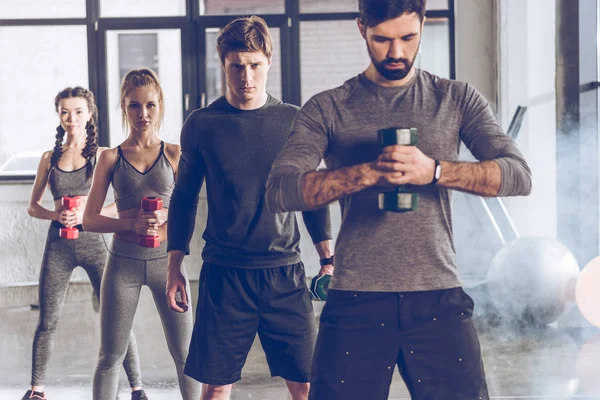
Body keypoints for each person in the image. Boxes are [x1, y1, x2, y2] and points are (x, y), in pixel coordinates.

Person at [265, 0, 533, 399]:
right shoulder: (329, 107)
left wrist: (435, 171)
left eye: (408, 37)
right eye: (383, 39)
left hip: (438, 297)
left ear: (423, 23)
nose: (396, 52)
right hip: (356, 297)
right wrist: (369, 171)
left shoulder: (455, 99)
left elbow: (518, 175)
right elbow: (280, 190)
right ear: (362, 29)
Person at [165, 16, 333, 400]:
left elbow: (308, 192)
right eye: (236, 66)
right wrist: (174, 264)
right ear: (223, 65)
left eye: (254, 65)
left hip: (284, 275)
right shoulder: (202, 124)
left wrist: (328, 257)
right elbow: (184, 197)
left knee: (308, 386)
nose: (246, 76)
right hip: (225, 276)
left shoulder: (294, 121)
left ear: (268, 63)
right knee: (217, 388)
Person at [83, 68, 201, 400]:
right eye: (134, 106)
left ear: (160, 105)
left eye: (150, 105)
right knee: (109, 358)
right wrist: (130, 224)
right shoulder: (110, 158)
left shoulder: (175, 155)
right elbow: (90, 219)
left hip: (168, 265)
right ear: (124, 107)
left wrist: (164, 228)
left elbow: (189, 213)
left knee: (186, 356)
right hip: (123, 265)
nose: (143, 114)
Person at [23, 87, 146, 400]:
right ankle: (37, 390)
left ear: (89, 114)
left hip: (95, 245)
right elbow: (33, 207)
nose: (71, 118)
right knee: (47, 319)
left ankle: (137, 388)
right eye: (64, 111)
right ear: (59, 116)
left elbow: (121, 202)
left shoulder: (103, 155)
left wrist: (86, 214)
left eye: (78, 111)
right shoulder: (49, 158)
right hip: (58, 247)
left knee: (116, 317)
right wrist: (57, 213)